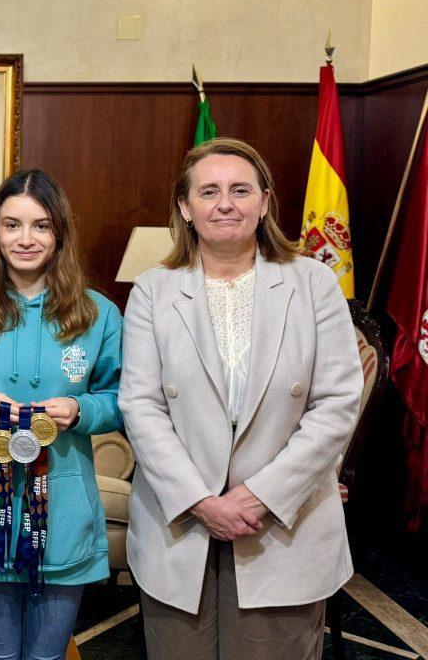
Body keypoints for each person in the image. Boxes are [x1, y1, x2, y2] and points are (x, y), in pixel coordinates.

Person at [118, 137, 364, 659]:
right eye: (209, 191)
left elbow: (337, 402)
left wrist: (259, 497)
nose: (225, 204)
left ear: (265, 201)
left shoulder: (314, 283)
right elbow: (141, 407)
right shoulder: (152, 291)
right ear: (185, 207)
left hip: (286, 526)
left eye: (240, 190)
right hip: (179, 525)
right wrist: (201, 501)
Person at [0, 169, 123, 660]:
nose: (26, 239)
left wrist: (81, 409)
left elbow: (123, 399)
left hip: (66, 513)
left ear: (60, 233)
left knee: (46, 657)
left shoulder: (99, 314)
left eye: (41, 225)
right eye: (12, 225)